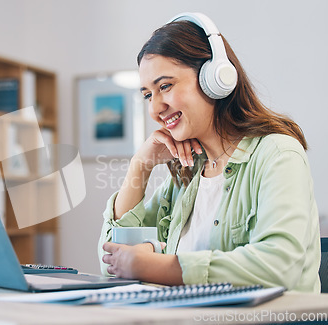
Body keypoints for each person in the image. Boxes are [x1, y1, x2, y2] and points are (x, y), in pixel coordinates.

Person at [98, 12, 321, 292]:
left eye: (164, 86)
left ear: (215, 78)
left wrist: (154, 266)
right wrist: (140, 166)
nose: (154, 109)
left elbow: (278, 268)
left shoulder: (277, 154)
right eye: (147, 95)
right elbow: (111, 262)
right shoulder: (187, 172)